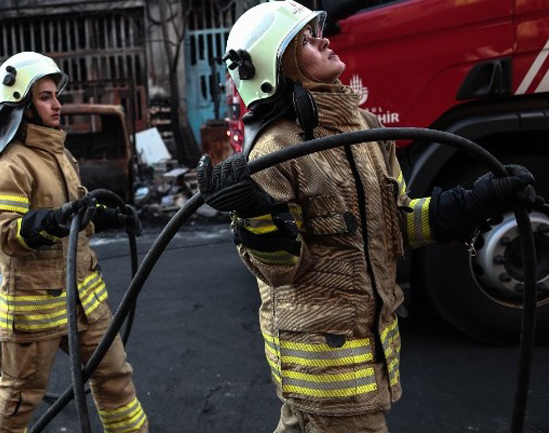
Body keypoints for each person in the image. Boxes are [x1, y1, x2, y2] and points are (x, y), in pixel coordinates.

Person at [197, 2, 541, 432]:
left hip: (367, 354)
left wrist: (473, 203)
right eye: (305, 39)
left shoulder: (364, 128)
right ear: (277, 68)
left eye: (318, 31)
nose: (325, 40)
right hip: (329, 372)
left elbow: (396, 226)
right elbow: (280, 272)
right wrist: (255, 216)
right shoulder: (276, 150)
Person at [0, 52, 148, 433]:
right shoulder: (10, 165)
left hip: (86, 301)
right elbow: (3, 231)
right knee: (20, 395)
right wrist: (52, 222)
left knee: (114, 378)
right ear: (20, 104)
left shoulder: (60, 154)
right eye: (44, 97)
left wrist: (107, 217)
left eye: (55, 95)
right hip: (35, 304)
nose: (57, 104)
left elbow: (79, 216)